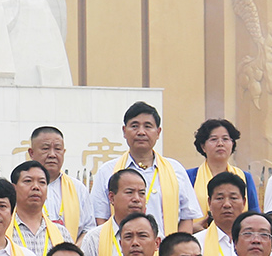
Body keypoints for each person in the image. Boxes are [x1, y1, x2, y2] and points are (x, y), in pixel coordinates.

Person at [86, 101, 204, 236]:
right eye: (134, 126)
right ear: (124, 131)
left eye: (148, 126)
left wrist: (176, 246)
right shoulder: (107, 171)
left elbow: (187, 216)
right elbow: (100, 217)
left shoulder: (175, 169)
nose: (141, 132)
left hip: (166, 247)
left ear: (158, 132)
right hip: (120, 247)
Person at [80, 168, 148, 256]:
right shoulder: (94, 239)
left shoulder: (156, 236)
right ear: (111, 198)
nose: (136, 199)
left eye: (142, 193)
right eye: (129, 192)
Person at [28, 126, 94, 234]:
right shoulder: (21, 188)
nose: (52, 155)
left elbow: (88, 229)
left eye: (57, 149)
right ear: (31, 153)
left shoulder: (78, 188)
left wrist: (71, 245)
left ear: (64, 152)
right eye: (45, 148)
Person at [188, 117, 258, 214]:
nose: (220, 144)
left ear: (232, 144)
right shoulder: (189, 177)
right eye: (214, 139)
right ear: (203, 146)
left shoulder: (245, 177)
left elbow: (254, 214)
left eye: (225, 139)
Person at [7, 160, 71, 256]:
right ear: (14, 189)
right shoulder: (2, 230)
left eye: (42, 182)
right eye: (28, 181)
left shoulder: (62, 233)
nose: (36, 187)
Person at [196, 170, 248, 256]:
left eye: (233, 198)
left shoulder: (257, 241)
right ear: (209, 203)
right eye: (220, 198)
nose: (227, 204)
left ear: (244, 202)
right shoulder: (196, 243)